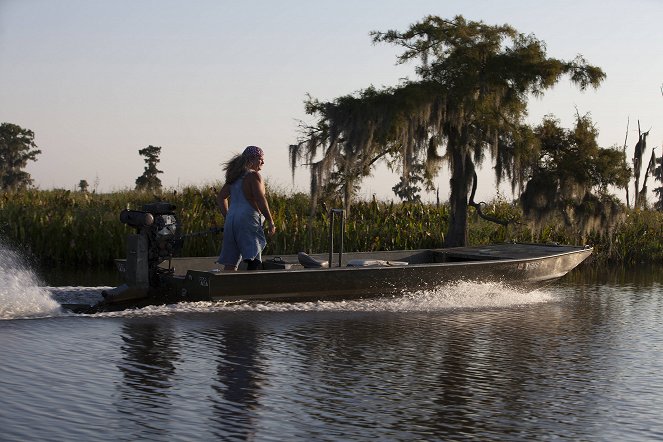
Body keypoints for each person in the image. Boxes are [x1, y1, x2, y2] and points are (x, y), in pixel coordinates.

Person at [216, 145, 276, 271]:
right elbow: (260, 199)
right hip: (248, 219)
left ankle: (227, 288)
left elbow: (221, 197)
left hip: (231, 220)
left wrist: (227, 217)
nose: (263, 162)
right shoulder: (253, 176)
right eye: (261, 158)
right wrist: (270, 221)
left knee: (231, 263)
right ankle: (251, 288)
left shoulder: (235, 176)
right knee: (253, 258)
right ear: (252, 159)